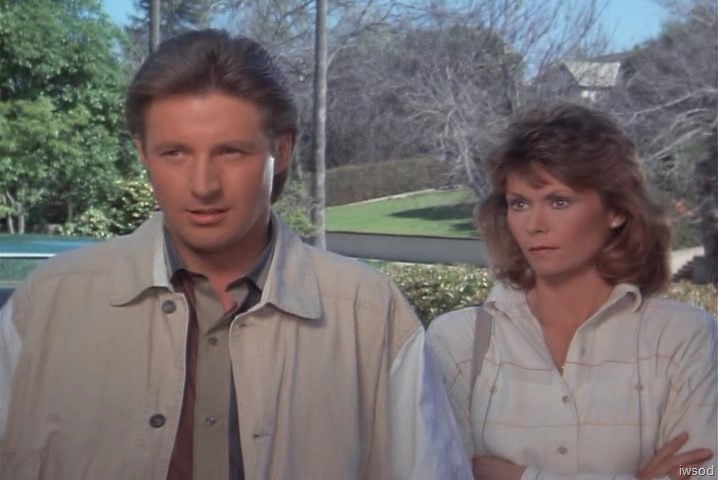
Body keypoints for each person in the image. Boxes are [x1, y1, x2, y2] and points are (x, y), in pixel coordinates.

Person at [0, 29, 471, 480]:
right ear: (143, 152)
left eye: (230, 152)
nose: (203, 185)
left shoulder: (370, 315)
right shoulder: (45, 307)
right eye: (175, 153)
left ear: (281, 150)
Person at [427, 104, 718, 480]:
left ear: (616, 211)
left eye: (558, 201)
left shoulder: (684, 337)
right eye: (519, 204)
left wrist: (511, 476)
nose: (535, 224)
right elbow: (440, 471)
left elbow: (705, 472)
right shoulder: (458, 341)